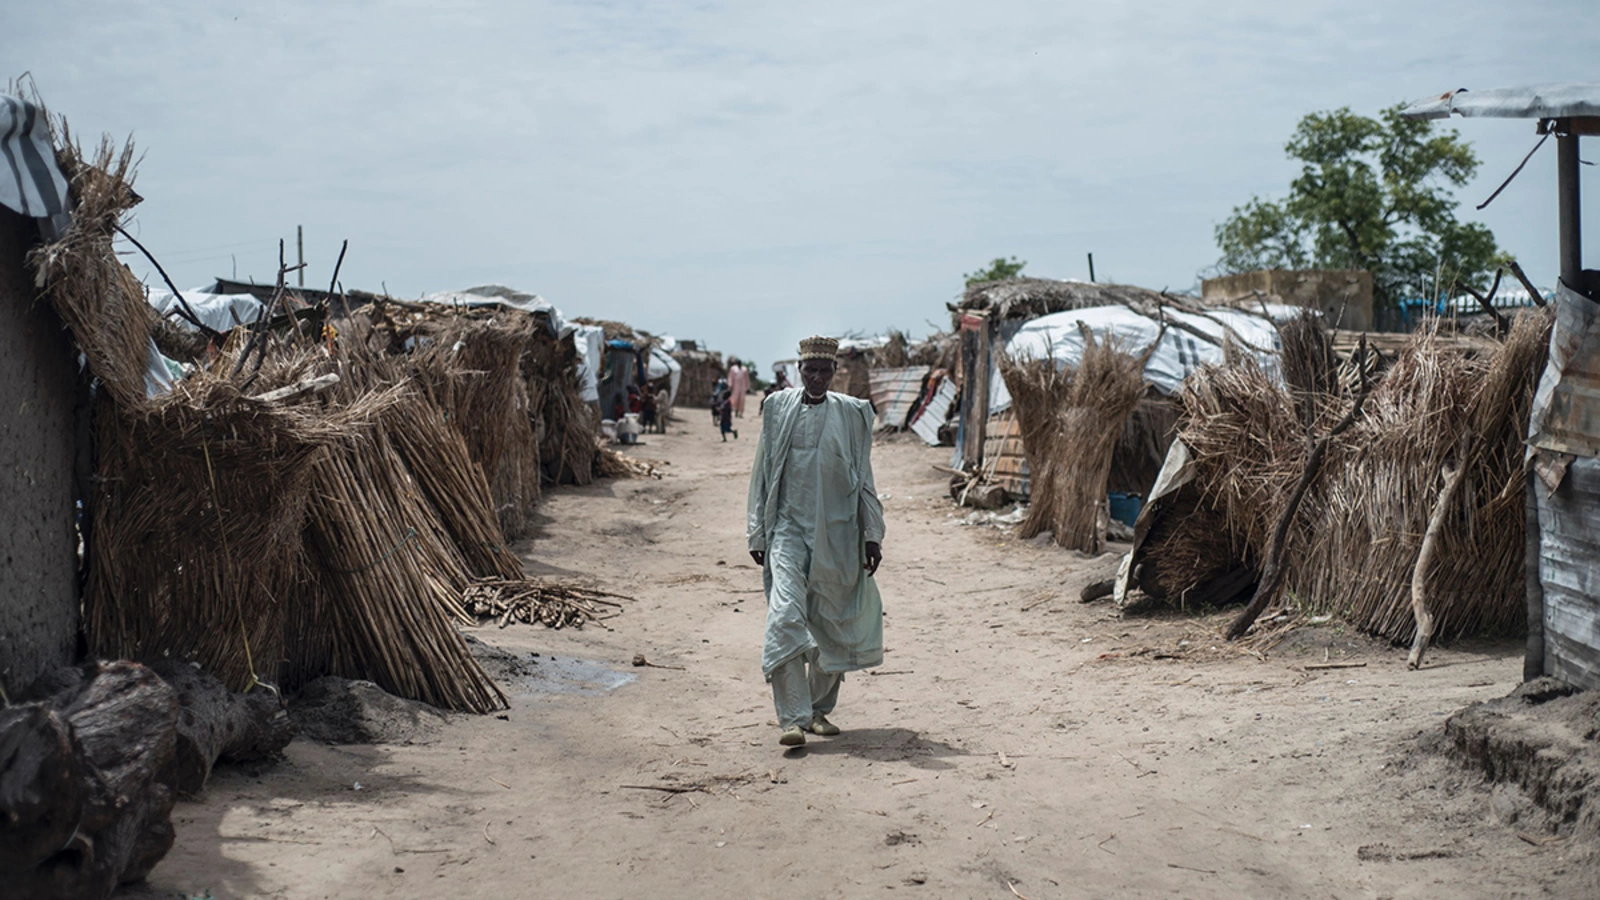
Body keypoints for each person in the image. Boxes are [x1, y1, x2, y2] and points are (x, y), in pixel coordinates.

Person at [746, 335, 884, 747]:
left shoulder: (853, 414)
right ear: (799, 369)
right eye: (811, 370)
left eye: (826, 370)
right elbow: (762, 475)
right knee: (785, 615)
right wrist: (757, 530)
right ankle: (791, 716)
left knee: (831, 621)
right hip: (787, 529)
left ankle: (818, 711)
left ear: (834, 371)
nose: (818, 377)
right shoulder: (776, 408)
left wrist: (871, 534)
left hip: (839, 532)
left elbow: (864, 477)